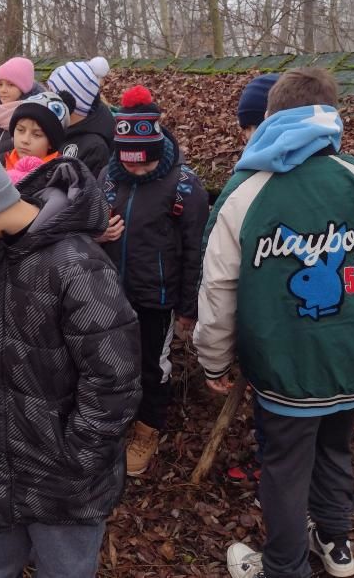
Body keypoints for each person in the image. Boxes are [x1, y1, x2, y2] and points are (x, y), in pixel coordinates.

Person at [193, 68, 354, 578]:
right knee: (333, 449)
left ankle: (285, 566)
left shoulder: (247, 191)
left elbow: (217, 289)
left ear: (270, 118)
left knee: (284, 467)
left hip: (284, 370)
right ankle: (335, 543)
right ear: (332, 117)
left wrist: (213, 358)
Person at [0, 136, 141, 578]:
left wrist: (75, 462)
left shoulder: (77, 267)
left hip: (63, 485)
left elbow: (114, 381)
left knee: (64, 570)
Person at [96, 85, 209, 476]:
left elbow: (195, 251)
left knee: (152, 365)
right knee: (109, 361)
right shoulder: (107, 178)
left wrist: (188, 308)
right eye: (129, 163)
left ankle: (147, 429)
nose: (137, 170)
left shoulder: (184, 186)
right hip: (109, 293)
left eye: (144, 163)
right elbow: (84, 225)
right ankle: (114, 421)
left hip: (156, 297)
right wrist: (97, 233)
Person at [224, 72, 279, 487]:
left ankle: (272, 467)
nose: (246, 137)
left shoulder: (254, 181)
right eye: (245, 128)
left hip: (272, 318)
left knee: (275, 398)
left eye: (252, 127)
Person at [46, 56, 114, 177]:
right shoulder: (57, 127)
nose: (46, 98)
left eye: (52, 92)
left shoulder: (95, 148)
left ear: (68, 101)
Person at [3, 91, 75, 169]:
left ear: (51, 143)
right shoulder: (0, 164)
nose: (25, 140)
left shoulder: (59, 174)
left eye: (37, 135)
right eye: (20, 130)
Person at [0, 56, 37, 156]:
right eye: (0, 84)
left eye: (11, 84)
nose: (3, 90)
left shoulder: (33, 115)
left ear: (24, 87)